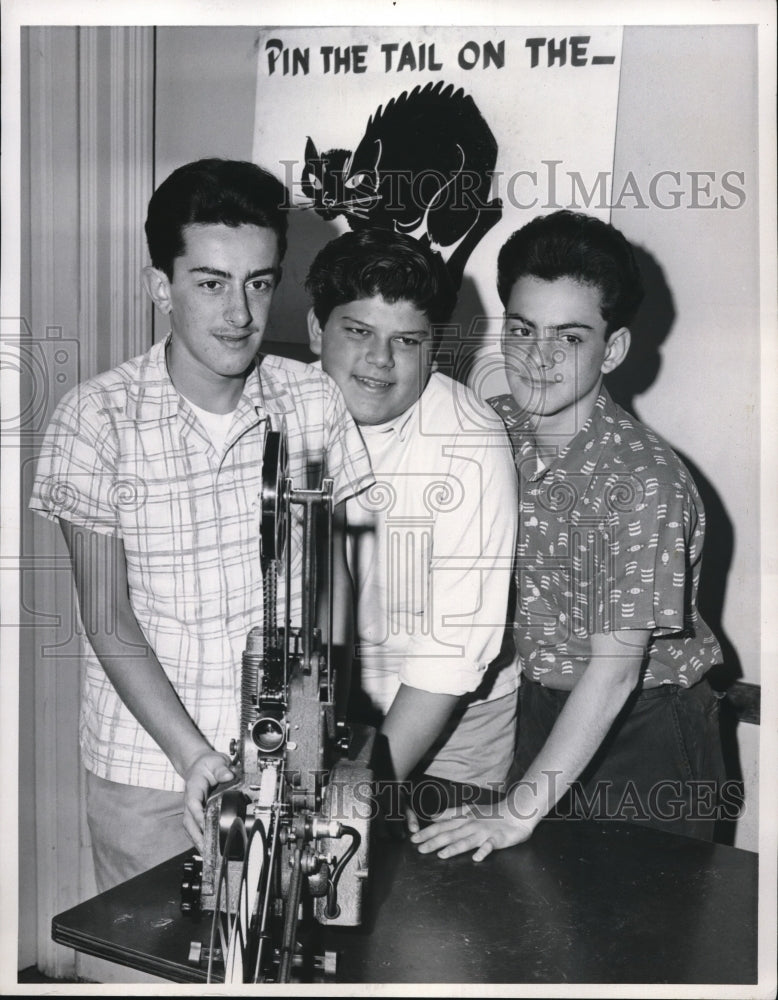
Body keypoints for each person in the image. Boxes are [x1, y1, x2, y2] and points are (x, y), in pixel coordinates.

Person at [29, 158, 373, 891]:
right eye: (211, 284)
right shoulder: (93, 420)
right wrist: (195, 759)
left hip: (287, 768)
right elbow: (108, 618)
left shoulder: (312, 400)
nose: (240, 314)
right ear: (162, 287)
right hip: (151, 778)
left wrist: (307, 747)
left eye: (258, 282)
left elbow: (332, 592)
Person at [412, 210, 726, 860]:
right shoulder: (494, 428)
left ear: (612, 348)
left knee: (639, 945)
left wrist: (515, 813)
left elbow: (614, 673)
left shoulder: (641, 480)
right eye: (523, 330)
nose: (538, 358)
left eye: (571, 337)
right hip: (544, 707)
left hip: (646, 726)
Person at [305, 228, 520, 821]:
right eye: (357, 332)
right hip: (314, 701)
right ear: (313, 330)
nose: (380, 360)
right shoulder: (273, 413)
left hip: (451, 718)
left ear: (436, 347)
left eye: (407, 340)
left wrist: (354, 805)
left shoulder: (469, 439)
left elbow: (448, 656)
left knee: (426, 901)